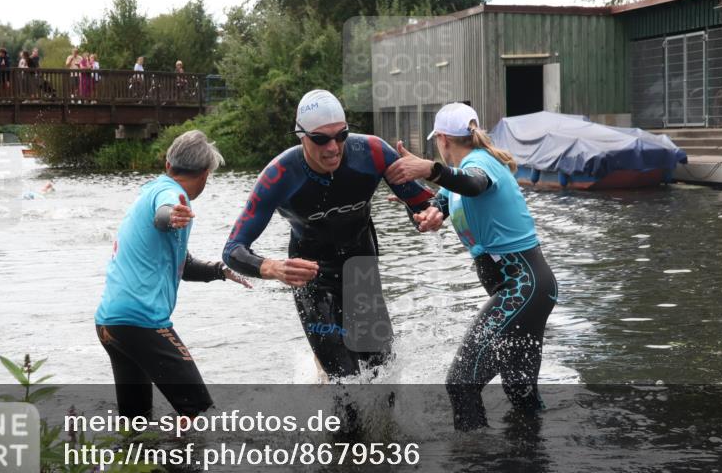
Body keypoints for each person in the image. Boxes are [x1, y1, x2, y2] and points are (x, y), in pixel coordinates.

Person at [222, 89, 434, 381]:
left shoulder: (372, 152)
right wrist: (272, 268)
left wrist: (425, 216)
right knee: (344, 382)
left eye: (341, 135)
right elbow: (232, 249)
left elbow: (421, 205)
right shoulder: (279, 175)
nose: (334, 147)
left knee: (382, 375)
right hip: (312, 278)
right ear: (301, 136)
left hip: (361, 270)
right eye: (321, 139)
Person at [384, 102, 558, 431]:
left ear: (444, 140)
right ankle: (531, 467)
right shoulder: (458, 181)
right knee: (520, 393)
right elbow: (448, 198)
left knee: (461, 384)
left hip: (522, 287)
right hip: (530, 290)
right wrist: (424, 206)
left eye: (438, 142)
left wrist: (430, 169)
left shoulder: (480, 164)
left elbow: (474, 183)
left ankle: (474, 466)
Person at [96, 130, 251, 419]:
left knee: (136, 423)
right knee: (201, 414)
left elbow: (182, 265)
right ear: (206, 174)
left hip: (110, 324)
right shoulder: (171, 195)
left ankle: (144, 463)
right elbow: (163, 214)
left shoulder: (150, 189)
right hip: (141, 323)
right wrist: (172, 215)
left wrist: (219, 270)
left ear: (168, 164)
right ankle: (187, 465)